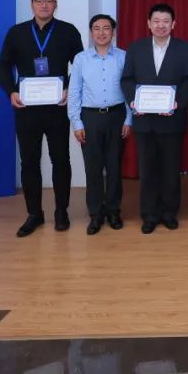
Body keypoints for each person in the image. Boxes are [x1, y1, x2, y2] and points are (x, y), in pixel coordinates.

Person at [0, 0, 84, 237]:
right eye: (39, 0)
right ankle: (34, 213)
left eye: (49, 0)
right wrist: (11, 91)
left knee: (61, 160)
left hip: (58, 108)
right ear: (31, 4)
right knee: (29, 162)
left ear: (56, 3)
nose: (44, 4)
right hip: (26, 109)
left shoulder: (68, 31)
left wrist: (69, 88)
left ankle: (61, 212)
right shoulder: (17, 33)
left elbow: (80, 66)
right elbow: (3, 65)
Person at [121, 3, 188, 234]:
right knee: (148, 170)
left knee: (171, 170)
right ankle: (149, 215)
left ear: (173, 24)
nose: (160, 25)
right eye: (156, 21)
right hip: (145, 121)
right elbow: (127, 79)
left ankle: (169, 212)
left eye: (165, 21)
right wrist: (133, 101)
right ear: (148, 24)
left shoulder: (185, 49)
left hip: (172, 120)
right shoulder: (136, 48)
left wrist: (178, 102)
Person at [67, 14, 133, 236]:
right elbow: (74, 92)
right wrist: (77, 122)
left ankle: (113, 210)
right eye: (97, 28)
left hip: (117, 116)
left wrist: (129, 119)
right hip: (90, 117)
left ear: (113, 32)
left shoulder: (124, 57)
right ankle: (96, 213)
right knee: (93, 168)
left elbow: (129, 90)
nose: (101, 32)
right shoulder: (81, 59)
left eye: (106, 28)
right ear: (91, 32)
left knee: (114, 167)